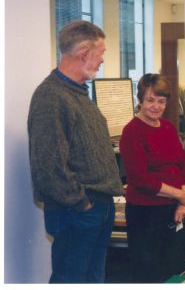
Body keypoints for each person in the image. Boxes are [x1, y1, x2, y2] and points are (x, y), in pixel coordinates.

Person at [27, 20, 124, 283]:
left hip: (96, 208)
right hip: (78, 211)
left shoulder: (78, 94)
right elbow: (49, 165)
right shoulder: (51, 96)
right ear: (84, 54)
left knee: (92, 280)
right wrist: (82, 203)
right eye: (101, 53)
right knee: (71, 280)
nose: (102, 60)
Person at [119, 74, 185, 282]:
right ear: (140, 100)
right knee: (149, 275)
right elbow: (141, 179)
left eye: (161, 101)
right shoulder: (131, 132)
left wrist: (183, 203)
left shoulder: (168, 128)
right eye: (150, 100)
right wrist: (181, 195)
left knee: (176, 272)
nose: (156, 106)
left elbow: (184, 165)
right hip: (145, 215)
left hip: (173, 211)